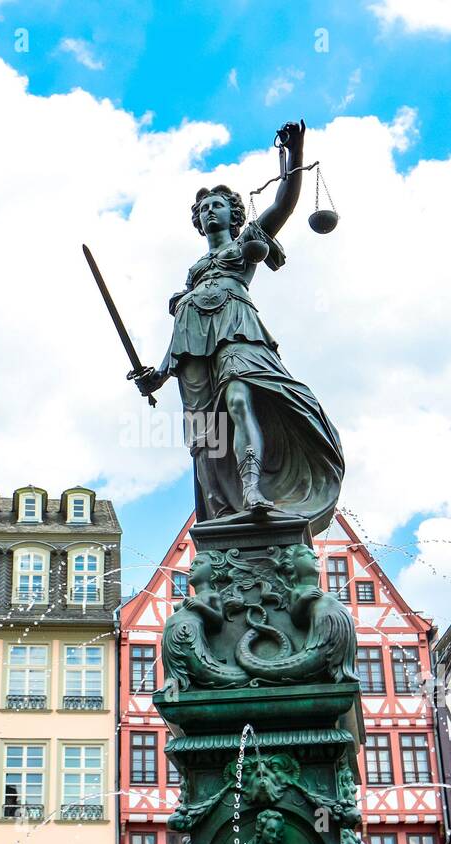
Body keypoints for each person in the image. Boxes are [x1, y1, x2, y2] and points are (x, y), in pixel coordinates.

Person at [132, 120, 345, 535]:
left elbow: (284, 204)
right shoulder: (193, 276)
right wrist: (156, 375)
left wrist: (294, 156)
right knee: (203, 435)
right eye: (203, 208)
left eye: (218, 205)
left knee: (240, 398)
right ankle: (220, 519)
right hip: (191, 346)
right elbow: (180, 333)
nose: (210, 210)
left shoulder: (246, 243)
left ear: (234, 213)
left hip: (237, 331)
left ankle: (252, 489)